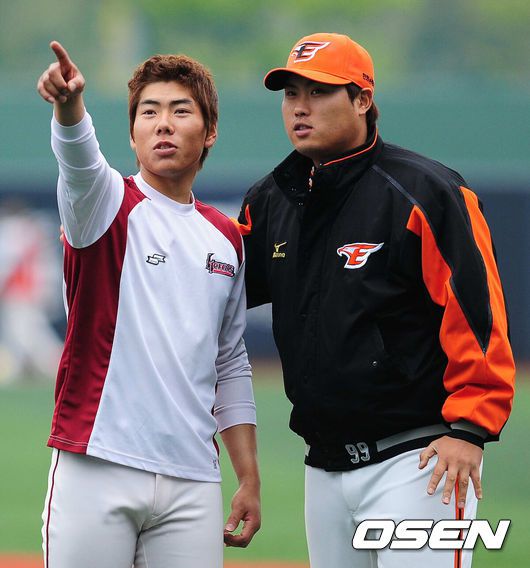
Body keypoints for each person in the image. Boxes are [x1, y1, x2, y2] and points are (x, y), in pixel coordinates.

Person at [235, 32, 515, 568]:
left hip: (419, 460)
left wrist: (469, 430)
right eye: (291, 94)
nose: (300, 107)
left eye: (319, 92)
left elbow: (477, 316)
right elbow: (213, 294)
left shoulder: (426, 191)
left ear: (362, 99)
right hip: (323, 466)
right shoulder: (271, 200)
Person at [37, 41, 260, 568]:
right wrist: (69, 106)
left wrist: (248, 477)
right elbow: (77, 158)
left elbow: (230, 362)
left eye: (181, 111)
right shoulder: (103, 203)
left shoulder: (226, 237)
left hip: (193, 480)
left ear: (209, 131)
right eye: (149, 112)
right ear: (132, 134)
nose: (163, 124)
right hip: (97, 463)